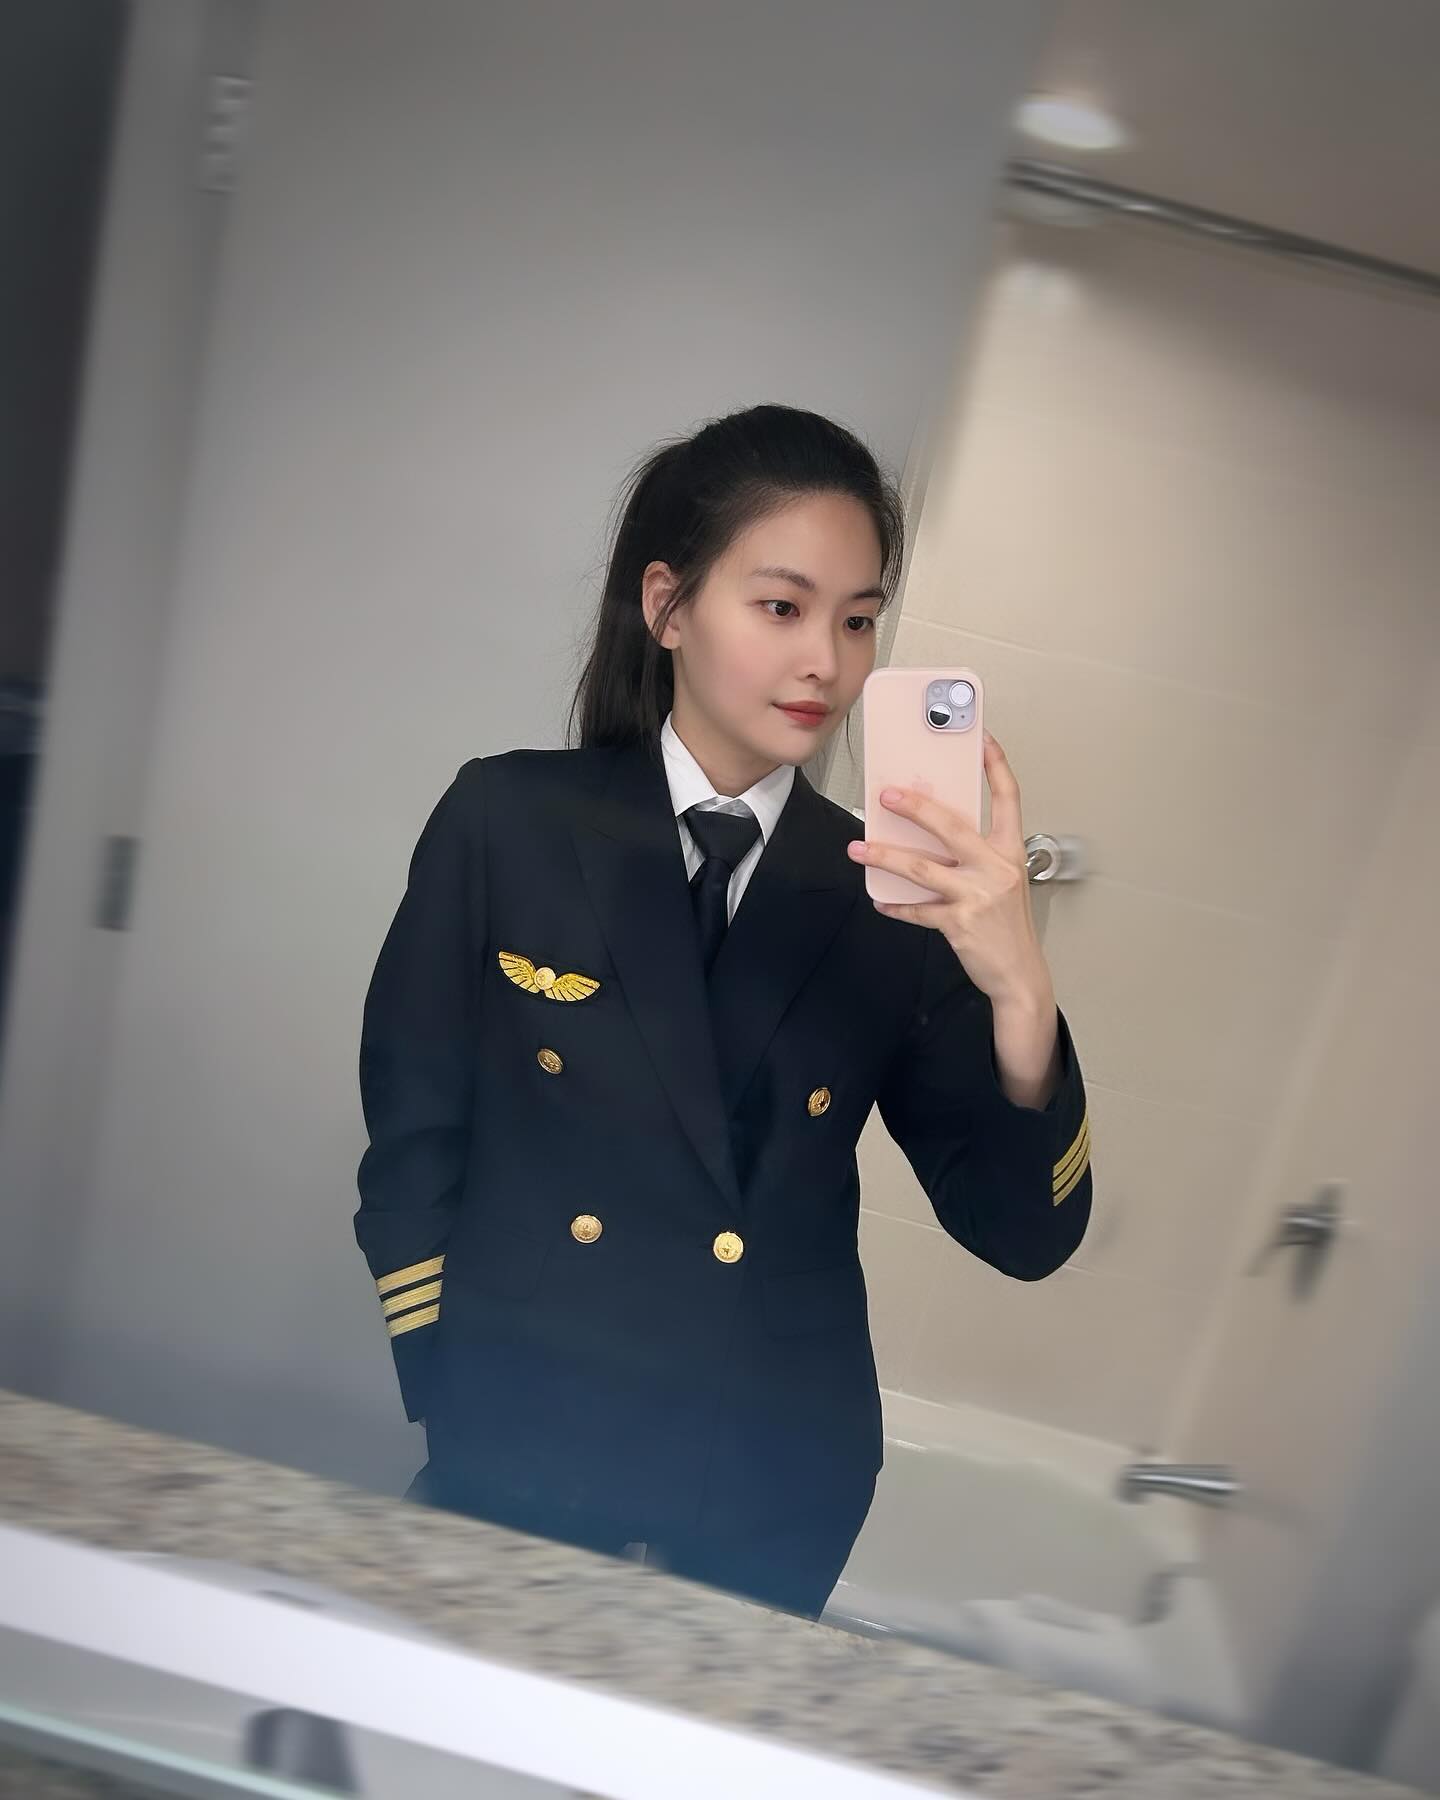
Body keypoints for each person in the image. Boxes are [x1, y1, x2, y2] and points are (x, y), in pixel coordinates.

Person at [353, 402, 1093, 1620]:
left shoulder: (887, 894)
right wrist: (448, 1367)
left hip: (766, 1479)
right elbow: (415, 1125)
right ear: (669, 606)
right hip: (527, 1429)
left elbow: (1022, 1233)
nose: (829, 665)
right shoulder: (512, 822)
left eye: (858, 620)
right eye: (783, 607)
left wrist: (1020, 985)